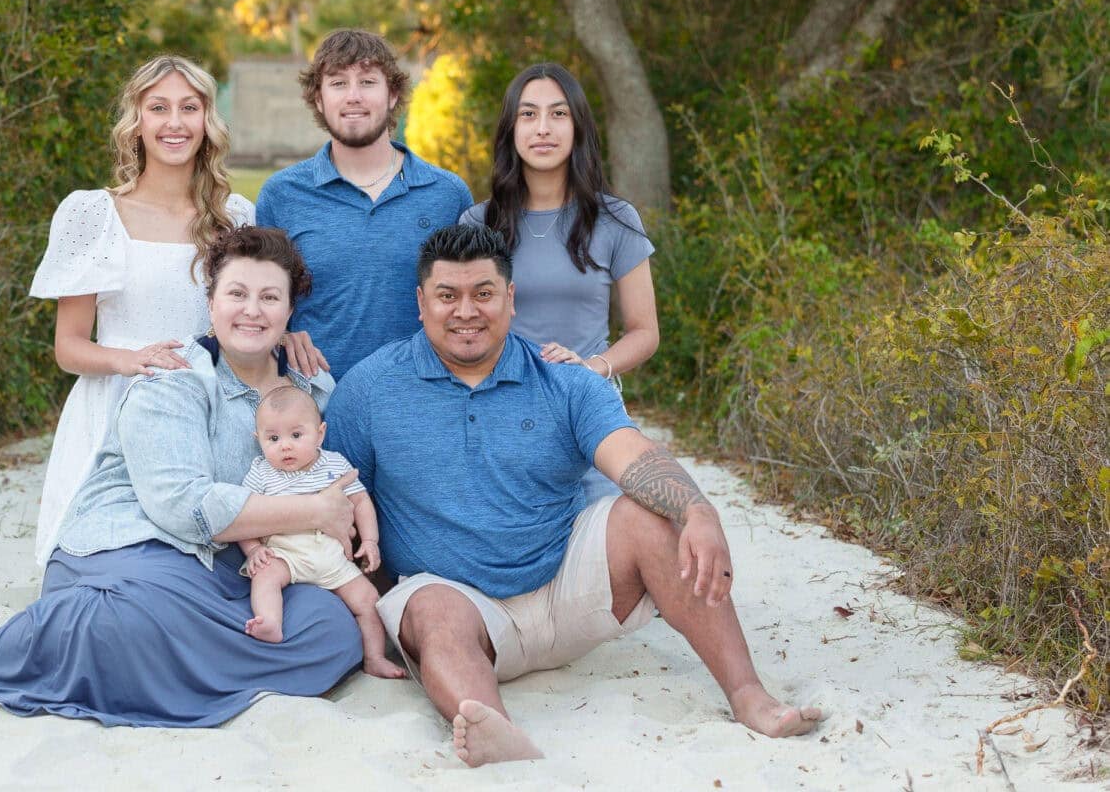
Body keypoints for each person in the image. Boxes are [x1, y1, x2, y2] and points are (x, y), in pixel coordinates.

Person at [324, 225, 823, 767]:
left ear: (511, 299)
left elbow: (633, 458)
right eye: (448, 295)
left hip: (567, 589)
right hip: (461, 609)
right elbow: (340, 507)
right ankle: (500, 735)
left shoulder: (565, 381)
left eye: (483, 293)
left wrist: (697, 509)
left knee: (649, 515)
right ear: (421, 303)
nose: (466, 310)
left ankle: (749, 695)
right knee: (431, 609)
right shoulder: (369, 389)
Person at [0, 227, 364, 727]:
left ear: (289, 312)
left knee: (332, 631)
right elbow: (182, 507)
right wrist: (314, 511)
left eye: (270, 297)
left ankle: (164, 663)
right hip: (137, 548)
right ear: (211, 304)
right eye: (237, 293)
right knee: (132, 618)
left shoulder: (311, 388)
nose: (252, 310)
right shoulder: (175, 376)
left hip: (241, 569)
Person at [27, 54, 260, 567]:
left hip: (205, 409)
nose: (174, 123)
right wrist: (130, 360)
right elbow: (68, 348)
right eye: (159, 108)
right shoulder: (93, 213)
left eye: (189, 108)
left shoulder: (236, 218)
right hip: (113, 406)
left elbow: (248, 321)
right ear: (137, 122)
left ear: (207, 121)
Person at [461, 62, 658, 502]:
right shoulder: (479, 223)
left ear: (578, 127)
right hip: (502, 409)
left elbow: (645, 332)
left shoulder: (616, 220)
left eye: (559, 113)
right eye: (528, 114)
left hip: (585, 408)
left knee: (609, 534)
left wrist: (589, 371)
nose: (543, 128)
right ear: (511, 129)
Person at [256, 29, 474, 380]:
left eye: (368, 81)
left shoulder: (447, 194)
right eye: (338, 83)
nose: (353, 96)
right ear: (318, 98)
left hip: (424, 401)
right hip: (314, 405)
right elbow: (260, 299)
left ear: (393, 95)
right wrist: (279, 333)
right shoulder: (281, 195)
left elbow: (471, 302)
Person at [237, 386, 405, 679]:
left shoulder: (334, 464)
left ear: (320, 433)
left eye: (296, 435)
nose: (285, 446)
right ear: (258, 440)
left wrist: (369, 540)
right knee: (264, 577)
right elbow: (242, 513)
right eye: (273, 438)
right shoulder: (261, 472)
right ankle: (271, 623)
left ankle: (375, 657)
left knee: (368, 600)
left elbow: (361, 500)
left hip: (331, 554)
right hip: (286, 552)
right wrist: (253, 549)